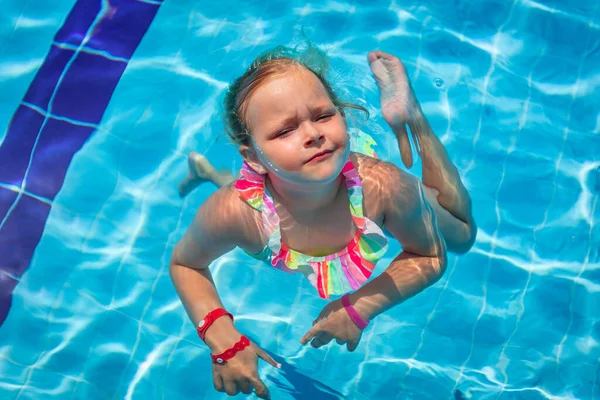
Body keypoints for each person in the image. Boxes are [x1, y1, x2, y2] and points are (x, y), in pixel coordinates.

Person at [169, 46, 476, 399]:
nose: (313, 134)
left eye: (323, 115)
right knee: (240, 202)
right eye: (284, 131)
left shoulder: (386, 188)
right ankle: (209, 172)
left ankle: (412, 116)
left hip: (359, 194)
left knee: (462, 234)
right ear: (252, 157)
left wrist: (362, 305)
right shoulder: (237, 213)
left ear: (342, 117)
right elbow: (185, 264)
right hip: (267, 201)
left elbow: (431, 256)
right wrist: (221, 337)